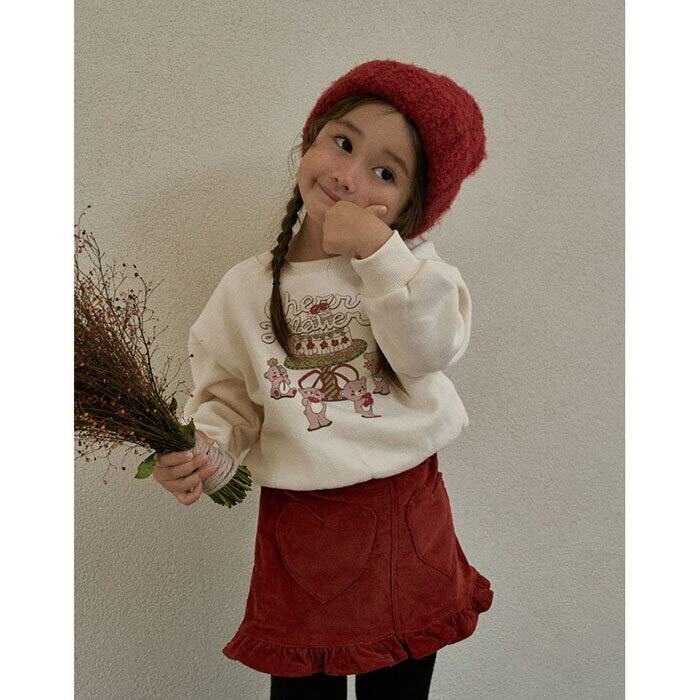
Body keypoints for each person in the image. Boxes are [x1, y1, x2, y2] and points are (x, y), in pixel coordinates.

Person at [154, 59, 494, 700]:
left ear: (410, 207)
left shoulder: (414, 272)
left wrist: (379, 253)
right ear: (309, 141)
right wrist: (203, 454)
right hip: (301, 527)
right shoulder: (247, 288)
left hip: (404, 518)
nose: (348, 175)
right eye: (342, 142)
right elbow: (228, 398)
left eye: (385, 172)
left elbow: (428, 351)